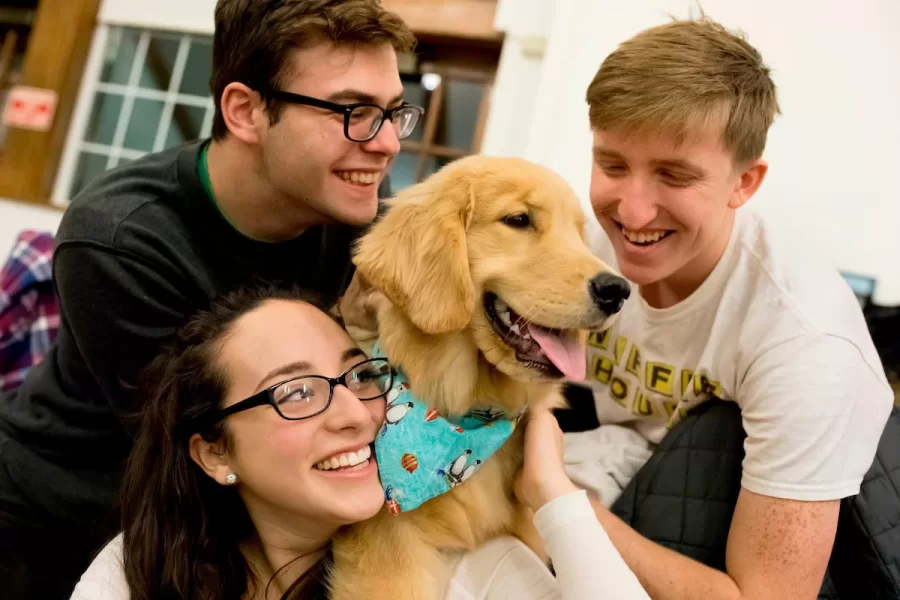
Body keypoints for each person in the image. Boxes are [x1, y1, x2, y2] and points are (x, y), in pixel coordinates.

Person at [0, 1, 421, 598]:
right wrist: (344, 325)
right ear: (246, 110)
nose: (385, 145)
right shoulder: (120, 237)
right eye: (352, 112)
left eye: (392, 114)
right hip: (61, 519)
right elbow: (202, 440)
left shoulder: (360, 226)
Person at [562, 16, 895, 599]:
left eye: (675, 176)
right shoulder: (584, 251)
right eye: (613, 165)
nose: (632, 214)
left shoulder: (805, 344)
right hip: (631, 487)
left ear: (745, 182)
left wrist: (558, 506)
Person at [69, 285, 650, 600]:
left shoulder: (468, 572)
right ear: (215, 452)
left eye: (362, 374)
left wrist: (550, 490)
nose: (353, 413)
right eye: (295, 392)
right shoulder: (141, 567)